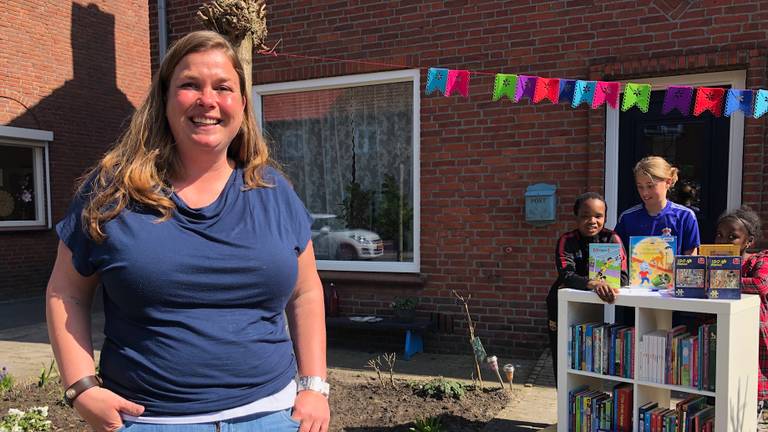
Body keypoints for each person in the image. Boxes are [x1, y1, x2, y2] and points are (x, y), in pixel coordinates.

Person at [46, 31, 330, 432]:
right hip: (150, 421)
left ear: (242, 104)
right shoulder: (111, 193)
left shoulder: (274, 192)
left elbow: (306, 290)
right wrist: (82, 388)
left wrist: (315, 386)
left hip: (272, 417)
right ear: (164, 101)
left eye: (223, 88)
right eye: (189, 85)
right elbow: (66, 292)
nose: (207, 100)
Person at [546, 192, 629, 383]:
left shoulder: (612, 238)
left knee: (590, 356)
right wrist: (593, 283)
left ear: (605, 217)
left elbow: (623, 276)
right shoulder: (567, 240)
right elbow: (566, 274)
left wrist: (607, 284)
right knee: (563, 355)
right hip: (561, 306)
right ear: (576, 217)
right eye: (585, 216)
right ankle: (563, 406)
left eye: (598, 216)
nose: (592, 221)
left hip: (593, 306)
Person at [714, 205, 768, 412]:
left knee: (747, 392)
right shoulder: (713, 261)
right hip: (721, 330)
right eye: (719, 235)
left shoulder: (759, 260)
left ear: (749, 241)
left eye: (732, 237)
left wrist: (717, 280)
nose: (723, 241)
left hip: (750, 333)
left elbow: (760, 284)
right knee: (720, 383)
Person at [614, 156, 700, 255]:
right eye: (640, 187)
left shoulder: (685, 216)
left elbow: (691, 263)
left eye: (650, 186)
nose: (645, 192)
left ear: (668, 182)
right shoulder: (627, 218)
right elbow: (616, 258)